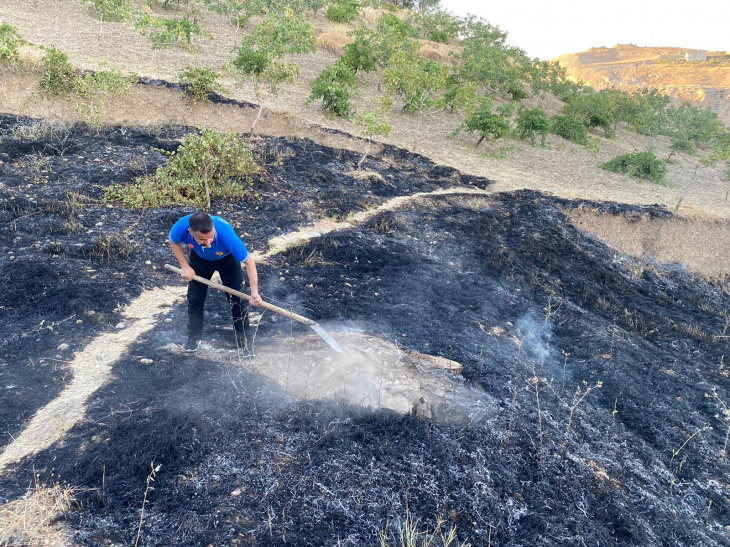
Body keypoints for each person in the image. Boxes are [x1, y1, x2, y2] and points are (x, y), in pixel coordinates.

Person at [169, 212, 262, 352]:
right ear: (190, 232)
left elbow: (249, 262)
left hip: (227, 260)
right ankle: (194, 337)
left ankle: (244, 342)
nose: (208, 243)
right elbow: (173, 241)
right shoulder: (181, 227)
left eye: (211, 237)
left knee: (236, 299)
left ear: (214, 229)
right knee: (195, 298)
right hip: (199, 259)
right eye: (202, 239)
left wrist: (254, 292)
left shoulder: (228, 237)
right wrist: (185, 266)